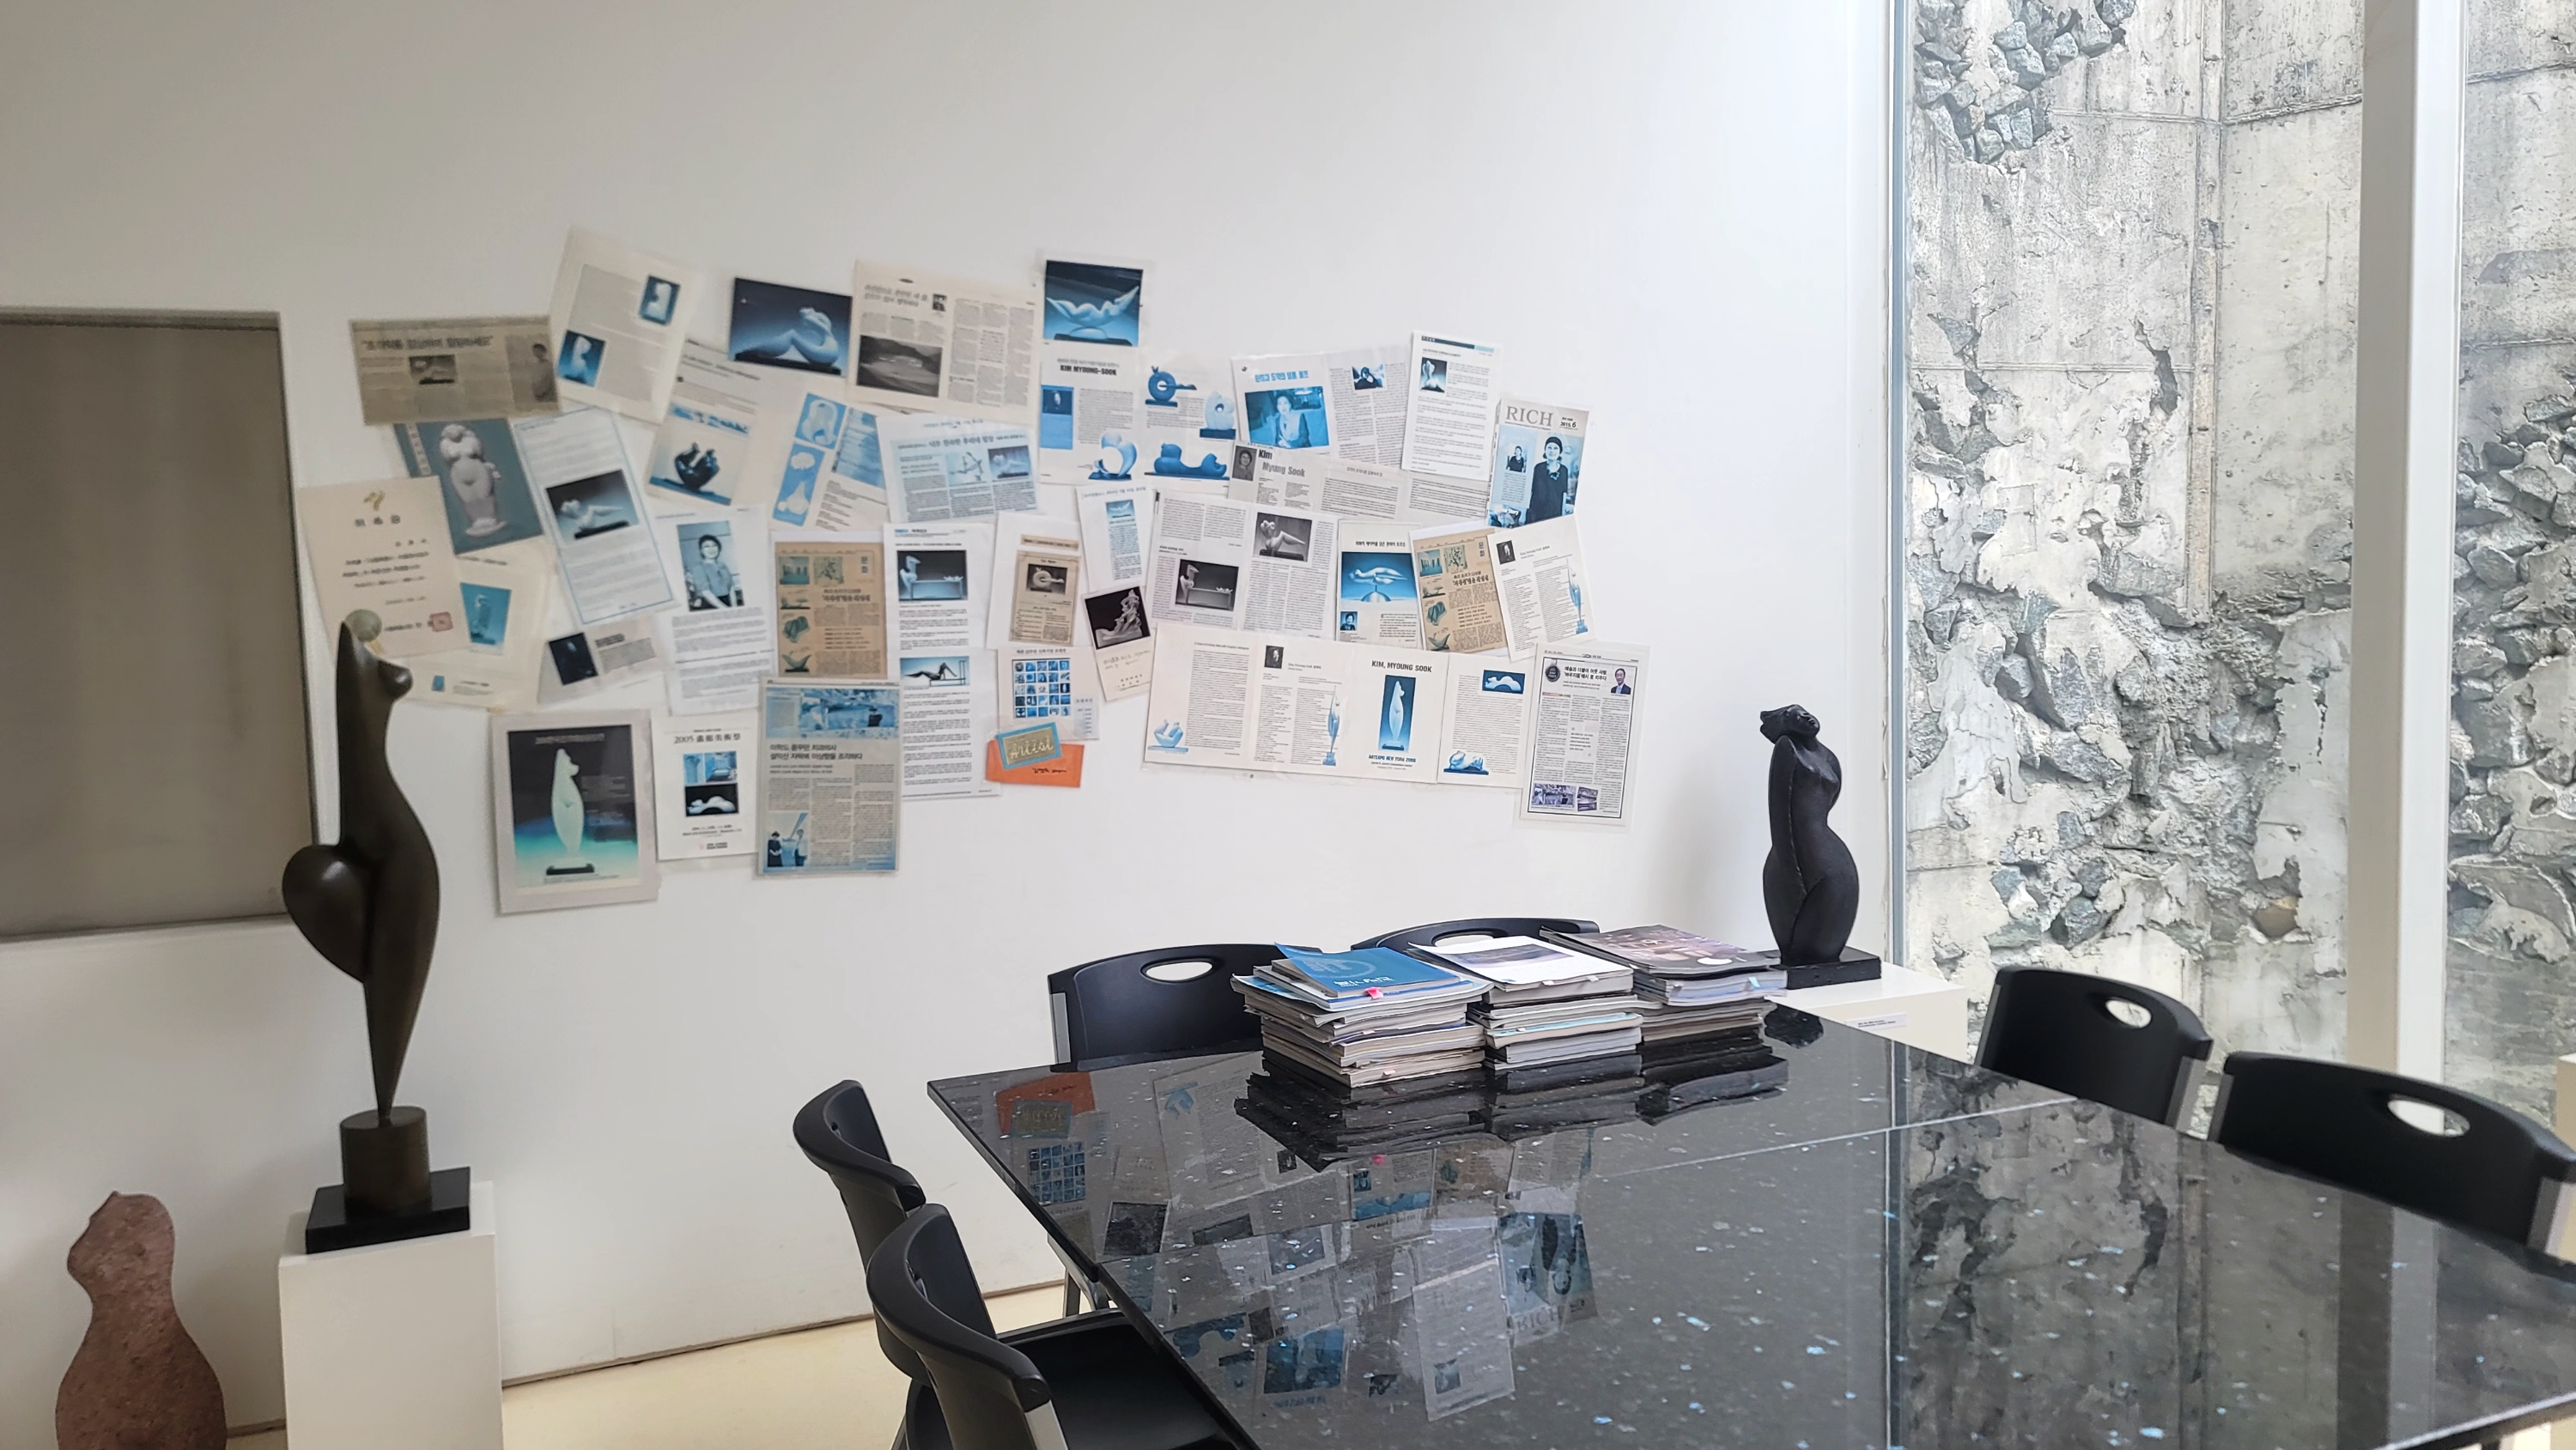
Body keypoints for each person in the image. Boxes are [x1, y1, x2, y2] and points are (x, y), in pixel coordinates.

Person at [685, 533, 740, 610]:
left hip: (728, 602)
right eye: (707, 546)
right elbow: (706, 593)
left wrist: (735, 608)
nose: (711, 549)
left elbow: (731, 588)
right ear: (702, 550)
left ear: (719, 548)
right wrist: (726, 610)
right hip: (711, 605)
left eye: (714, 545)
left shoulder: (723, 565)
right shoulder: (698, 568)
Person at [1525, 436, 1573, 521]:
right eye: (1549, 448)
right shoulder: (1538, 468)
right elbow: (1531, 492)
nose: (1552, 451)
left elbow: (1564, 495)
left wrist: (1563, 516)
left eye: (1555, 448)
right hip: (1536, 514)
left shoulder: (1564, 470)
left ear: (1560, 452)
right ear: (1545, 450)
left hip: (1554, 515)